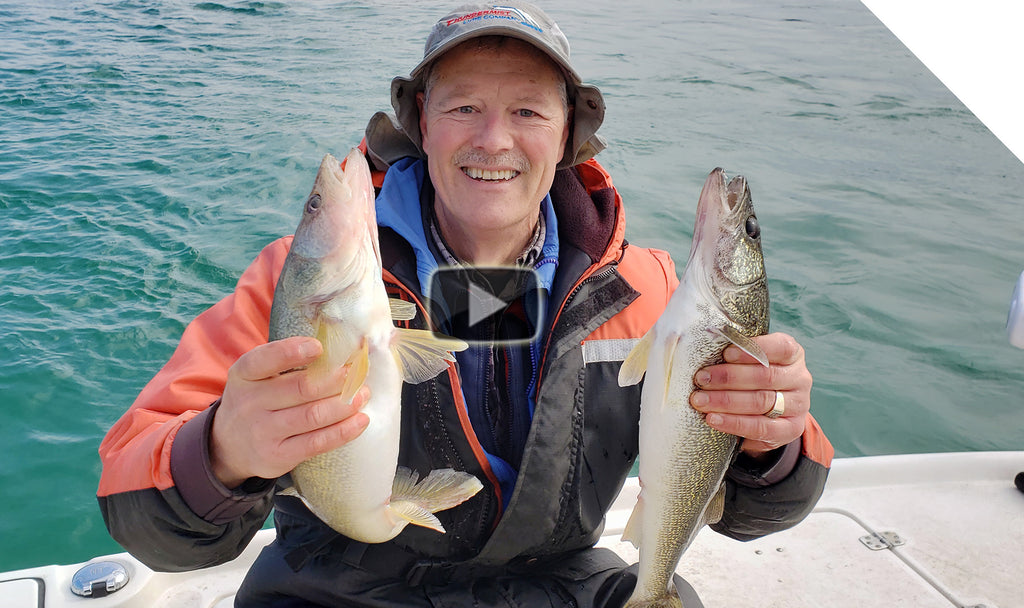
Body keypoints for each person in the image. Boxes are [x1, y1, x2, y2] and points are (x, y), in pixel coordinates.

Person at [97, 2, 833, 606]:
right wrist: (224, 452)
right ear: (422, 119)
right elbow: (138, 498)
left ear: (569, 135)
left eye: (527, 112)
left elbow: (764, 511)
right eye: (464, 106)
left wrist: (772, 440)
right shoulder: (298, 285)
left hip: (559, 585)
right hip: (335, 590)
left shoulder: (654, 290)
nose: (493, 140)